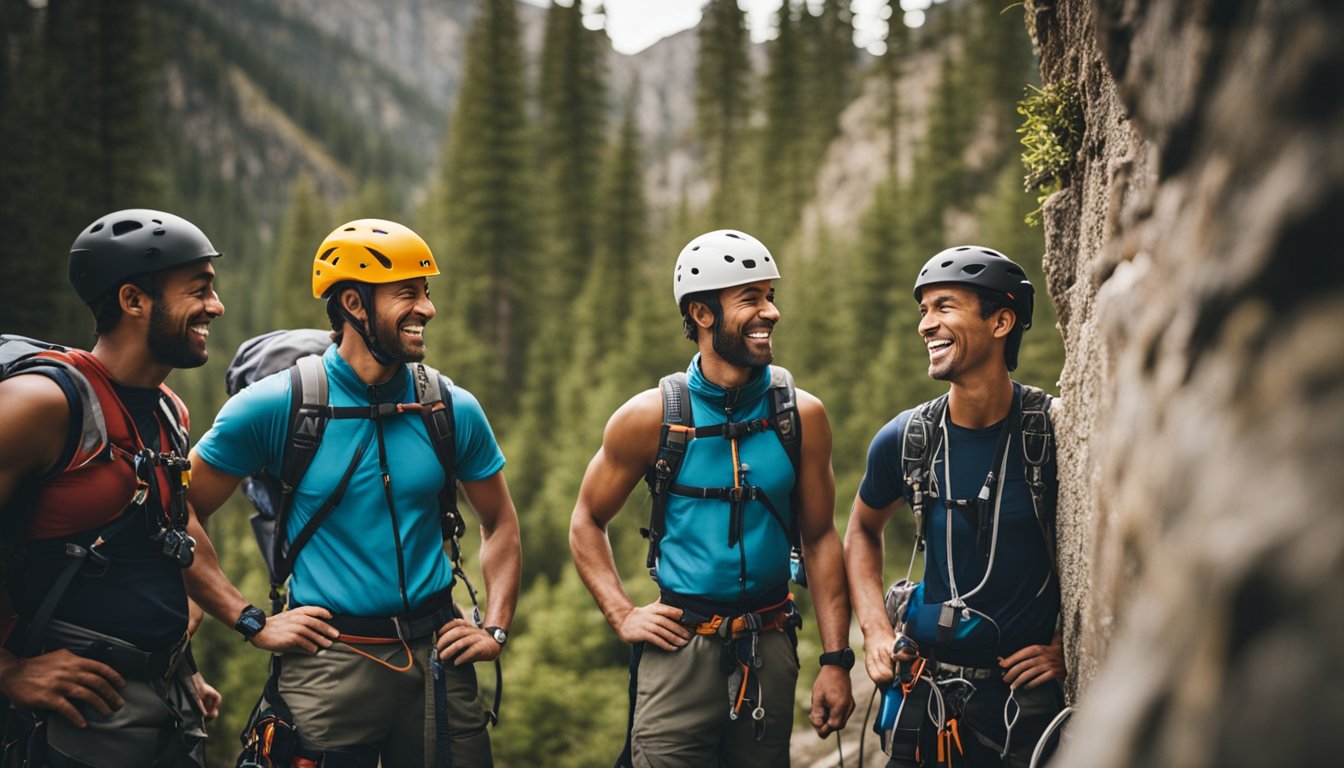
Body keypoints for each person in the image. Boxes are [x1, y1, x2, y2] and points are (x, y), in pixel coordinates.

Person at [182, 219, 521, 767]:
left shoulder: (451, 408)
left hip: (442, 656)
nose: (427, 309)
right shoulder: (275, 406)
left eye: (427, 292)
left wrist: (497, 627)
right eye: (407, 293)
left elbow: (500, 521)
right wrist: (250, 620)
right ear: (353, 304)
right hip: (329, 658)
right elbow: (180, 509)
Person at [570, 229, 854, 767]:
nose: (771, 312)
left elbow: (818, 538)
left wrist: (836, 661)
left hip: (769, 647)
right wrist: (621, 613)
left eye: (770, 296)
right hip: (677, 649)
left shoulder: (802, 416)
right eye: (751, 299)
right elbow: (586, 518)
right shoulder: (649, 417)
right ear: (702, 314)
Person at [0, 209, 225, 766]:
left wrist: (180, 671)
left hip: (162, 701)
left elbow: (146, 551)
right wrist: (7, 672)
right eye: (199, 291)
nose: (215, 307)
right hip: (71, 720)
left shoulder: (170, 411)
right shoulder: (43, 404)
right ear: (132, 300)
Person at [845, 246, 1067, 767]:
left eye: (943, 306)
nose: (926, 325)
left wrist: (1065, 646)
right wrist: (876, 630)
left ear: (1001, 321)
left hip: (1023, 709)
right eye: (922, 310)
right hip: (926, 698)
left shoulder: (1052, 431)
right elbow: (860, 531)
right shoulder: (908, 438)